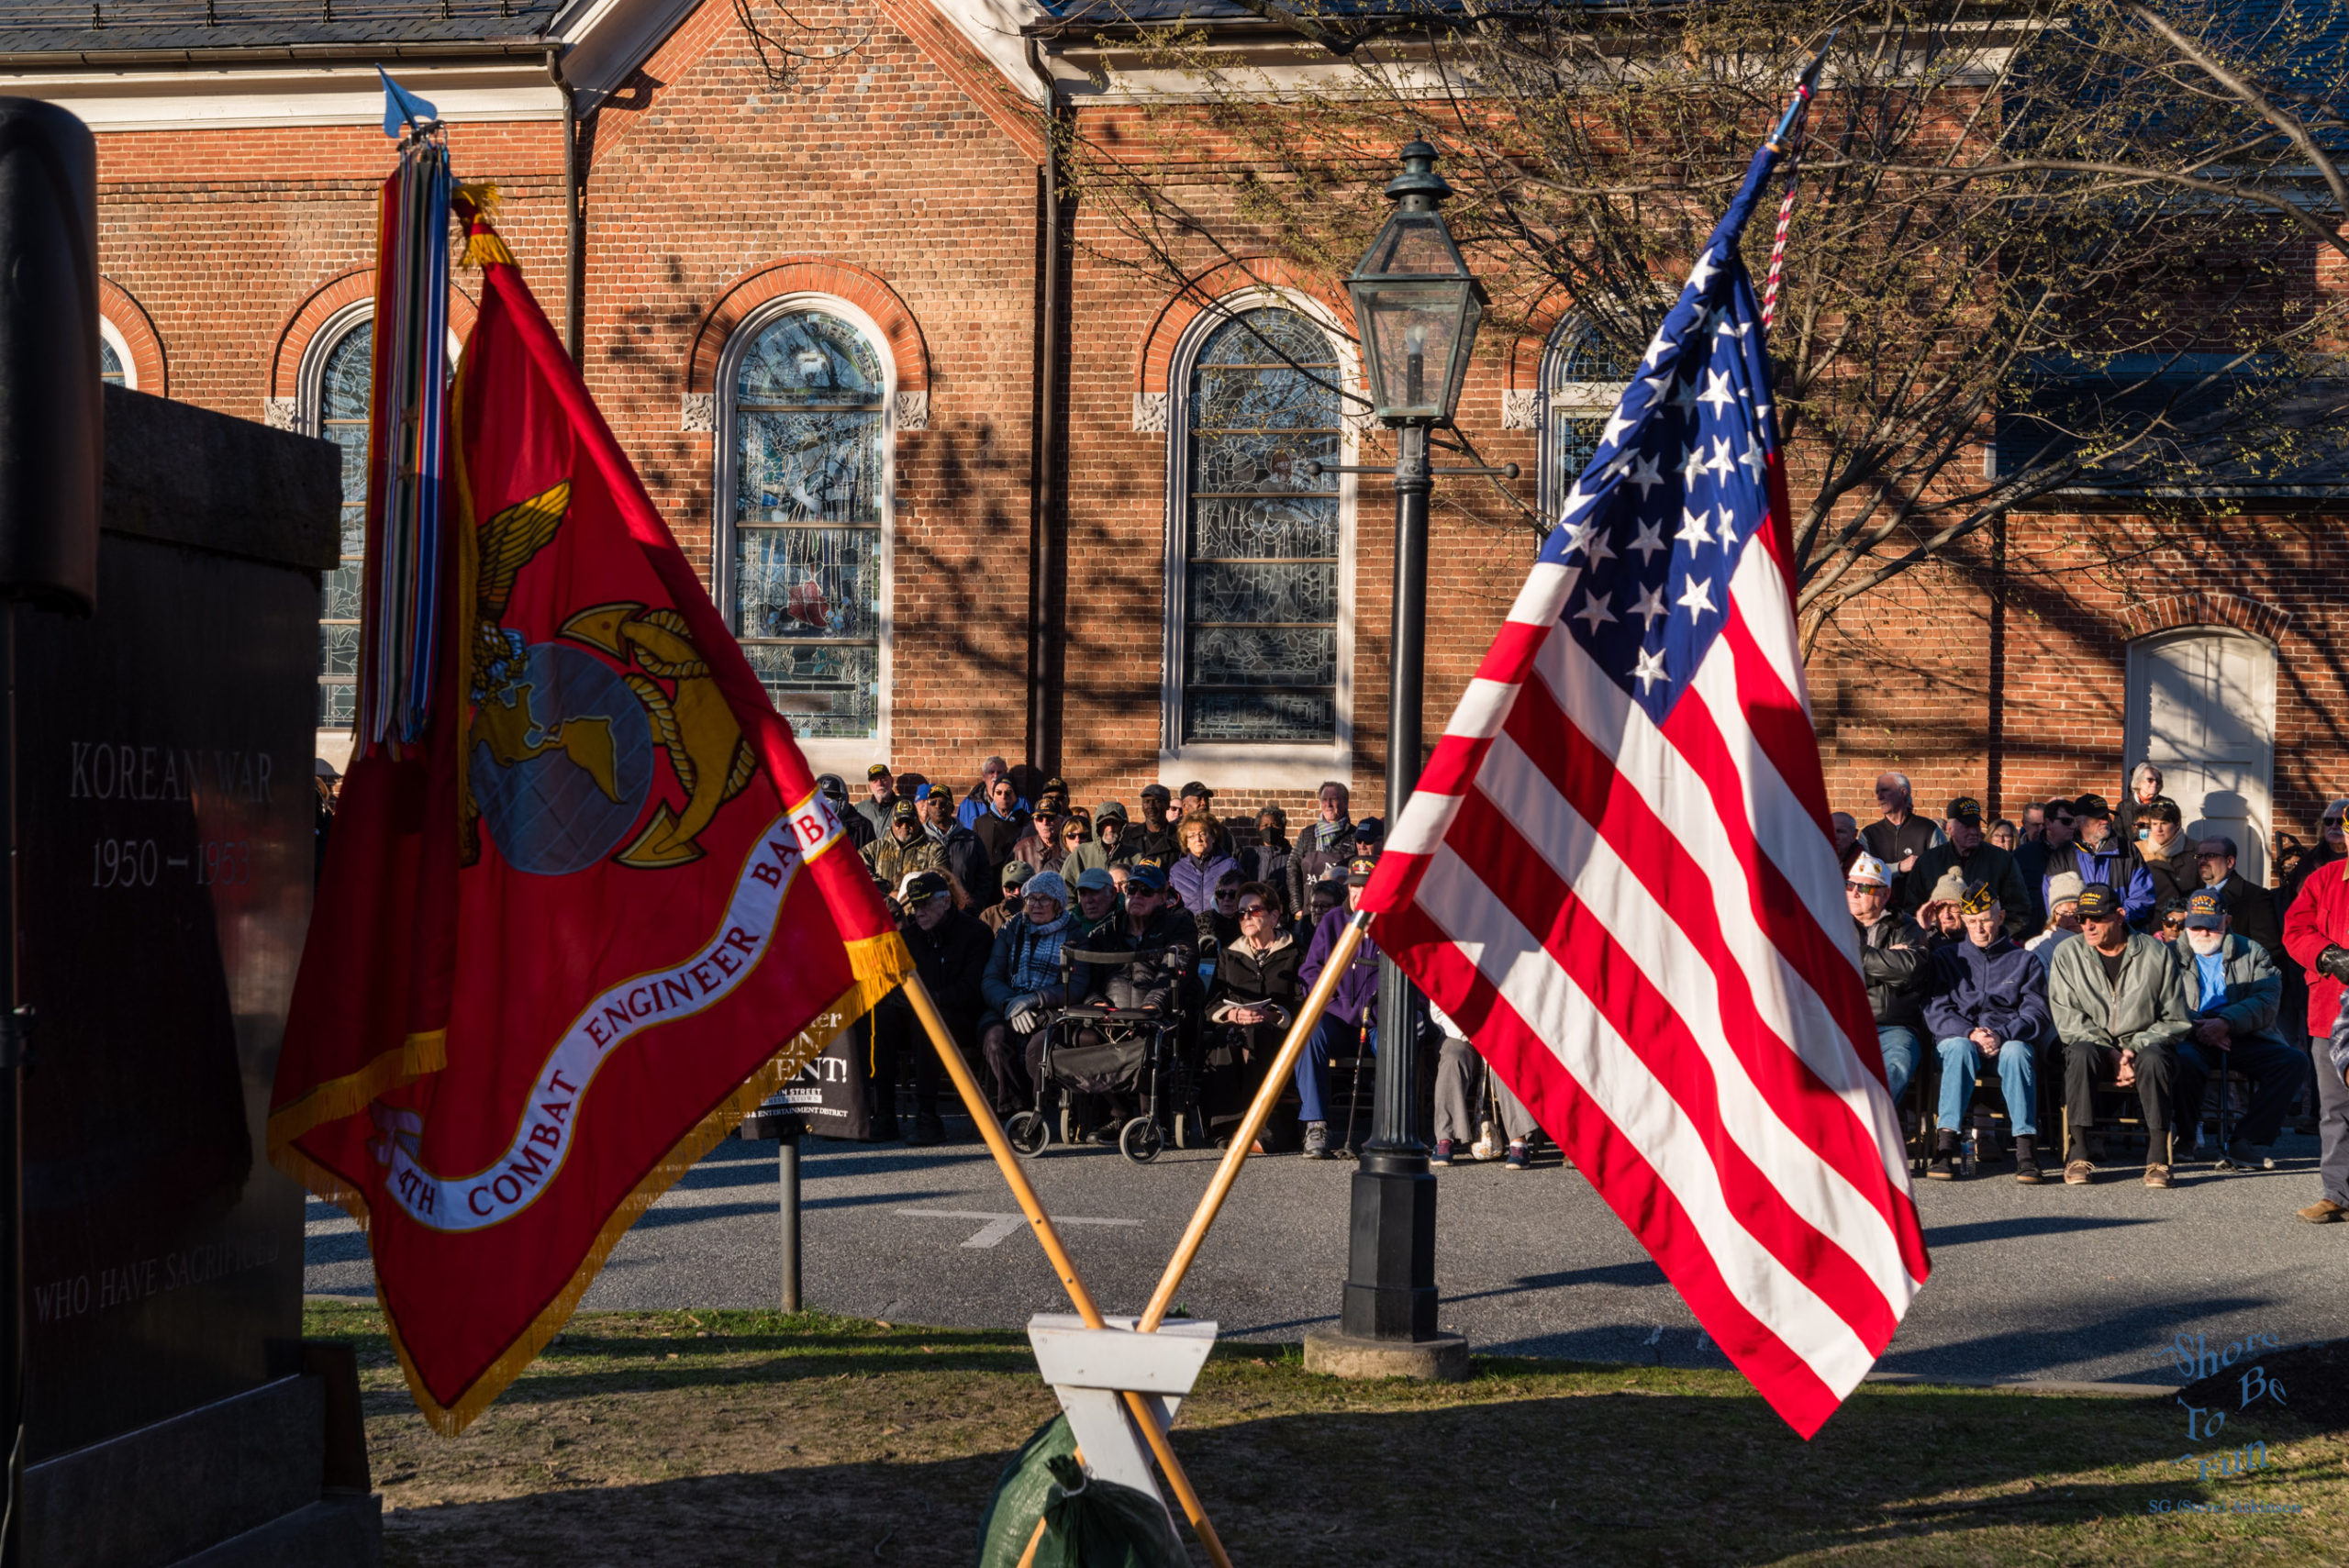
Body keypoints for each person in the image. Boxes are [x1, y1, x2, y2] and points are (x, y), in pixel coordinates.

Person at [2047, 883, 2193, 1186]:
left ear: (2120, 915)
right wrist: (2110, 1052)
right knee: (2080, 1053)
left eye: (2096, 918)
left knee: (2155, 1059)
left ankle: (2158, 1158)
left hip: (2144, 1044)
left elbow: (2175, 1018)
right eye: (2083, 917)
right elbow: (2067, 1017)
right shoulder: (2067, 953)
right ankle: (2079, 1152)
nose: (2087, 925)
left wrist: (2133, 1049)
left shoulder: (2156, 953)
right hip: (2093, 1044)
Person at [1921, 882, 2053, 1181]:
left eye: (1986, 920)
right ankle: (1945, 1147)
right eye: (1971, 922)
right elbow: (1936, 1008)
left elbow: (2037, 1012)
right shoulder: (1947, 958)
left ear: (2001, 917)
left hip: (2006, 1040)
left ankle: (2025, 1150)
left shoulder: (2025, 960)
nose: (1979, 928)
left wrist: (2003, 1034)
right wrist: (1969, 1033)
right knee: (1958, 1048)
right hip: (1959, 1040)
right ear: (1964, 922)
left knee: (2018, 1051)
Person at [2169, 891, 2306, 1173]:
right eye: (2195, 925)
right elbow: (2161, 1000)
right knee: (2185, 1061)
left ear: (2227, 920)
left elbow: (2267, 999)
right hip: (2188, 1032)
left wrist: (2226, 1023)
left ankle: (2246, 1141)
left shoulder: (2252, 951)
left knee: (2293, 1062)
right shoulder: (2167, 955)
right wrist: (2201, 1026)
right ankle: (2185, 1136)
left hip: (2239, 1033)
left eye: (2211, 924)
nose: (2203, 932)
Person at [870, 872, 989, 1144]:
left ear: (946, 901)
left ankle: (928, 1115)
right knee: (882, 1015)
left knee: (927, 1021)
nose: (918, 912)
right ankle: (883, 1111)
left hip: (960, 1017)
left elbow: (972, 990)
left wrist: (931, 998)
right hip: (918, 1011)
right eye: (914, 905)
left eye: (924, 905)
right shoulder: (911, 936)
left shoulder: (975, 934)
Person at [1295, 857, 1382, 1159]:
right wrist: (1332, 1003)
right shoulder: (1332, 921)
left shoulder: (1392, 923)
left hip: (1376, 1021)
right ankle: (1316, 1124)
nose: (1358, 894)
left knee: (1394, 1043)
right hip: (1337, 1018)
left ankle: (1386, 1128)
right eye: (1354, 887)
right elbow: (1309, 973)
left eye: (1365, 887)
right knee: (1308, 1033)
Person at [1202, 881, 1300, 1144]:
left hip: (1279, 1031)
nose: (1246, 917)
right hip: (1237, 1026)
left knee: (1256, 1034)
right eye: (1241, 913)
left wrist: (1276, 1015)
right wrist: (1231, 1014)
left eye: (1253, 911)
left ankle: (1264, 1129)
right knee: (1228, 1036)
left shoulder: (1293, 953)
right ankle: (1227, 1126)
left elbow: (1302, 1000)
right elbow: (1212, 1002)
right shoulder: (1230, 955)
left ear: (1274, 916)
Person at [2280, 849, 2349, 1224]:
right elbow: (2295, 930)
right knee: (2335, 1111)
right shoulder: (2324, 878)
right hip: (2331, 1011)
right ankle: (2338, 1194)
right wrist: (2326, 955)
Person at [978, 871, 1075, 1114]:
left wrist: (1033, 999)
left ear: (1058, 903)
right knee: (995, 1039)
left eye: (1044, 899)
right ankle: (1014, 1110)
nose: (1035, 905)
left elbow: (1075, 986)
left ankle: (1035, 1111)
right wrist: (1011, 1003)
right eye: (1031, 898)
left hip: (1050, 1012)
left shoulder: (1074, 934)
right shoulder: (1011, 929)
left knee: (1037, 1048)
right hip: (1007, 1006)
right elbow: (991, 978)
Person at [1848, 853, 1930, 1107]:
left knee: (1898, 1062)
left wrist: (1853, 957)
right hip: (1842, 1022)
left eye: (1864, 887)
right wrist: (1884, 961)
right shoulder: (1831, 922)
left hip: (1893, 1026)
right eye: (1849, 885)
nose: (1854, 893)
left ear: (1884, 895)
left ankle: (1871, 1129)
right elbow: (1824, 967)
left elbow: (1910, 969)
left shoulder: (1906, 927)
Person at [1429, 996, 1542, 1168]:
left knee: (1505, 1060)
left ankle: (1519, 1139)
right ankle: (1445, 1137)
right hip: (1457, 1033)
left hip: (1502, 1032)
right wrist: (1471, 1034)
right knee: (1453, 1059)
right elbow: (1438, 1011)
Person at [1899, 797, 2032, 940]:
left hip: (1987, 945)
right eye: (1966, 826)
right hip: (1936, 945)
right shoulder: (1928, 862)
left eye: (1976, 825)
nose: (1974, 831)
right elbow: (1912, 908)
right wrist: (1930, 936)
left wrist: (1992, 938)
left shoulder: (2002, 861)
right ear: (1949, 828)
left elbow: (2019, 911)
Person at [2043, 794, 2149, 925]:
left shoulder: (2127, 850)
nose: (2105, 821)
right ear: (2078, 821)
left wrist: (2114, 920)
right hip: (2077, 937)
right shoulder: (2062, 855)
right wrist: (2083, 924)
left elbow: (2143, 897)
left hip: (2121, 932)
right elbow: (2054, 903)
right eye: (2098, 817)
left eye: (2106, 816)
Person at [2197, 836, 2284, 972]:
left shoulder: (2255, 897)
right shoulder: (2192, 896)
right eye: (2199, 856)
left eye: (2210, 856)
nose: (2202, 861)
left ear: (2230, 862)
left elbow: (2268, 949)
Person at [1288, 781, 1359, 916]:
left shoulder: (1355, 836)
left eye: (1333, 799)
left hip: (1342, 914)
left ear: (1345, 802)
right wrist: (1297, 907)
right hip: (1310, 912)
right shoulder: (1307, 835)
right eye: (1324, 800)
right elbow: (1293, 868)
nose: (1328, 804)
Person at [1860, 771, 1943, 876]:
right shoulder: (1869, 834)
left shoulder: (1929, 829)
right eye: (1877, 792)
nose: (1879, 797)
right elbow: (1863, 873)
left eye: (1885, 791)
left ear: (1903, 792)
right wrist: (1899, 867)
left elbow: (1942, 868)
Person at [2133, 797, 2199, 929]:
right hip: (2149, 924)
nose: (2158, 829)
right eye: (2154, 824)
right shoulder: (2136, 850)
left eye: (2164, 823)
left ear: (2177, 824)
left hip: (2185, 924)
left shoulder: (2196, 850)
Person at [919, 786, 987, 905]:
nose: (938, 806)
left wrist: (975, 902)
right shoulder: (919, 840)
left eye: (943, 802)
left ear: (952, 807)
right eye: (933, 802)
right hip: (929, 909)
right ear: (928, 807)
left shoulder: (971, 839)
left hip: (964, 911)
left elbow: (985, 876)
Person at [1169, 810, 1240, 919]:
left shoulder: (1230, 866)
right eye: (1192, 836)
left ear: (1213, 837)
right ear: (1186, 842)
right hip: (1187, 931)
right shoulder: (1177, 870)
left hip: (1222, 930)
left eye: (1202, 833)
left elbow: (1241, 900)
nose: (1198, 839)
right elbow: (1170, 904)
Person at [864, 797, 941, 891]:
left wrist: (907, 889)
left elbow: (939, 880)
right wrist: (886, 888)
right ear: (892, 823)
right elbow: (858, 870)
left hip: (917, 903)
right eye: (899, 822)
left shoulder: (935, 850)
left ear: (918, 822)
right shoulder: (874, 849)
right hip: (883, 903)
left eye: (909, 822)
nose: (904, 826)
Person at [2015, 796, 2076, 912]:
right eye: (2066, 822)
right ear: (2048, 823)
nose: (2073, 826)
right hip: (2035, 926)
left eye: (2074, 821)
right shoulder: (2023, 855)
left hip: (2072, 926)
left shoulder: (2082, 854)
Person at [972, 774, 1032, 882]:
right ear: (993, 796)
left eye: (1008, 793)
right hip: (989, 885)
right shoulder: (980, 823)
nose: (1003, 796)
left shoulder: (1028, 822)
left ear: (1016, 796)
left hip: (1017, 883)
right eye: (999, 793)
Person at [1240, 806, 1292, 914]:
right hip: (1252, 911)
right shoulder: (1249, 855)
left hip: (1281, 913)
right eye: (1265, 825)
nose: (1270, 828)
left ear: (1282, 828)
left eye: (1274, 825)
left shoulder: (1291, 856)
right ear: (1259, 828)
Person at [957, 755, 1029, 830]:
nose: (996, 776)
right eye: (991, 772)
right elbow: (960, 832)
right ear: (984, 776)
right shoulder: (968, 804)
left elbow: (1032, 828)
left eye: (1000, 772)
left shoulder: (1020, 802)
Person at [1063, 801, 1130, 880]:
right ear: (1098, 826)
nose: (1110, 828)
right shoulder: (1081, 854)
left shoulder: (1136, 857)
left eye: (1114, 824)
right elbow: (1064, 886)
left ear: (1122, 827)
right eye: (1106, 823)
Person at [2027, 871, 2087, 957]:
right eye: (2064, 913)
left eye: (2077, 912)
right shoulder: (2037, 945)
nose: (2072, 918)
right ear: (2054, 915)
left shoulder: (2096, 941)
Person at [818, 773, 874, 851]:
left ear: (842, 798)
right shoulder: (806, 825)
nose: (827, 800)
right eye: (822, 796)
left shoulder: (862, 826)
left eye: (832, 796)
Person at [2116, 762, 2165, 849]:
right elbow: (2118, 835)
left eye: (2157, 780)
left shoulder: (2166, 805)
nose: (2155, 783)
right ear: (2138, 782)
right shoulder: (2123, 807)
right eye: (2150, 780)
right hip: (2132, 855)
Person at [1128, 784, 1180, 863]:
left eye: (1157, 801)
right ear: (1142, 807)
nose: (1151, 806)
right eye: (1147, 802)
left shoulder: (1179, 837)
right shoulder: (1130, 837)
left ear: (1167, 805)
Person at [984, 860, 1033, 934]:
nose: (1017, 892)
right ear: (1002, 889)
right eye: (1010, 888)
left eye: (1023, 887)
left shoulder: (1042, 914)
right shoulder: (989, 916)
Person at [852, 763, 897, 840]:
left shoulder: (902, 806)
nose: (879, 784)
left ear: (891, 781)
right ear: (870, 786)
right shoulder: (859, 809)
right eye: (875, 780)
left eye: (883, 779)